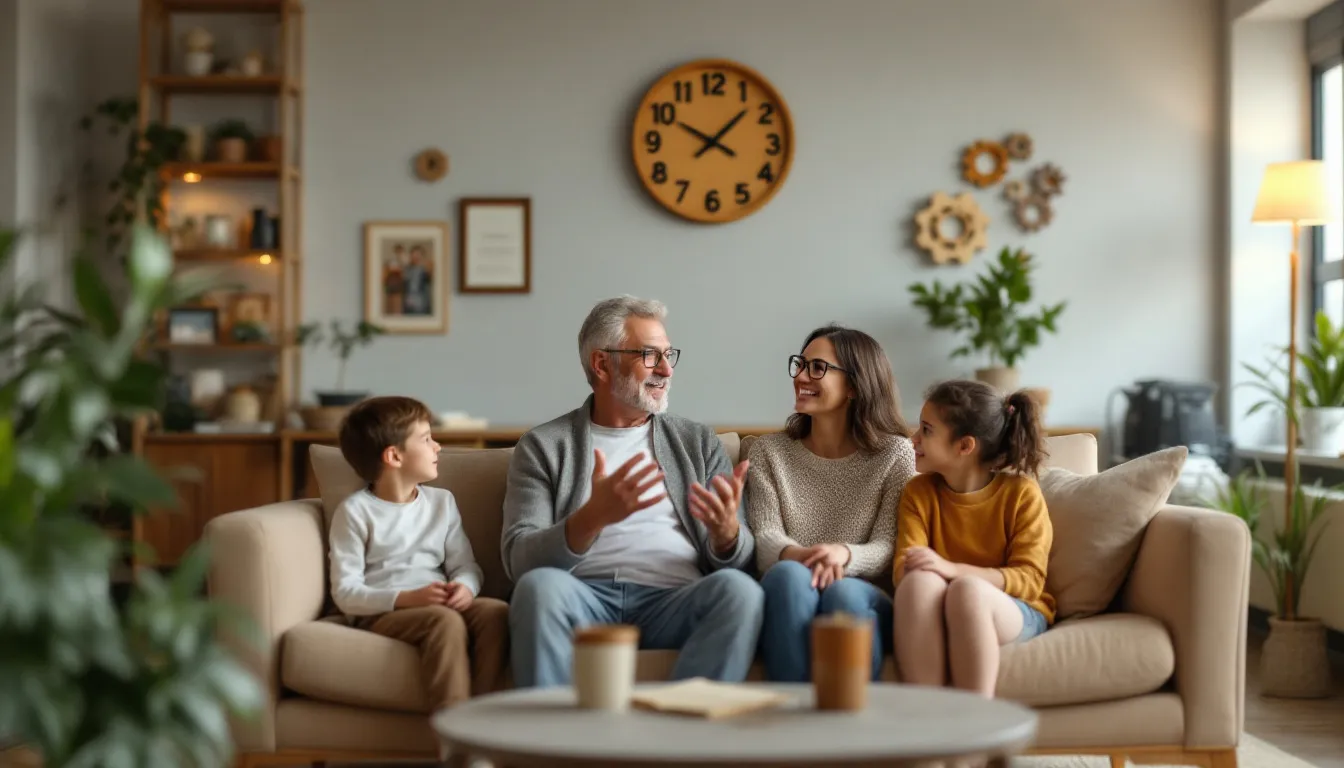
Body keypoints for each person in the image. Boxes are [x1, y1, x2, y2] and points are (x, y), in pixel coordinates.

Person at [502, 295, 763, 688]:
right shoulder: (544, 446)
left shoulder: (698, 442)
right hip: (583, 598)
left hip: (676, 599)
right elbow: (519, 561)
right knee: (539, 589)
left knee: (739, 592)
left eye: (668, 354)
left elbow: (739, 561)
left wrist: (727, 537)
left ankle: (686, 735)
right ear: (602, 364)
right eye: (649, 356)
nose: (666, 369)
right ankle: (551, 746)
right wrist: (591, 518)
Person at [748, 325, 917, 682]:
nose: (800, 376)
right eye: (800, 364)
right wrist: (807, 557)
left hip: (863, 595)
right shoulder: (768, 452)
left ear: (854, 386)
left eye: (817, 367)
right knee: (788, 576)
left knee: (843, 593)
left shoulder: (895, 454)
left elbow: (890, 545)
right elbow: (765, 539)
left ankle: (849, 727)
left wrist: (843, 554)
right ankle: (793, 721)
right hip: (791, 584)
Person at [328, 396, 509, 710]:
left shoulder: (442, 502)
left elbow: (465, 565)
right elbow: (345, 593)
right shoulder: (356, 512)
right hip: (382, 614)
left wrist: (465, 588)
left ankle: (480, 719)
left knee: (495, 612)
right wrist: (406, 598)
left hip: (437, 603)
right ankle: (454, 738)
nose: (438, 447)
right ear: (394, 456)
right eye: (426, 439)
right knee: (444, 622)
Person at [892, 380, 1055, 698]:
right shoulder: (918, 492)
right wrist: (937, 576)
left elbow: (1030, 580)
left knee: (968, 592)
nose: (913, 440)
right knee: (917, 581)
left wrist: (954, 571)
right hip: (941, 598)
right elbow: (904, 566)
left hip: (1016, 609)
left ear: (965, 446)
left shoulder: (1021, 494)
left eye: (926, 430)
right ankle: (925, 725)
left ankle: (976, 734)